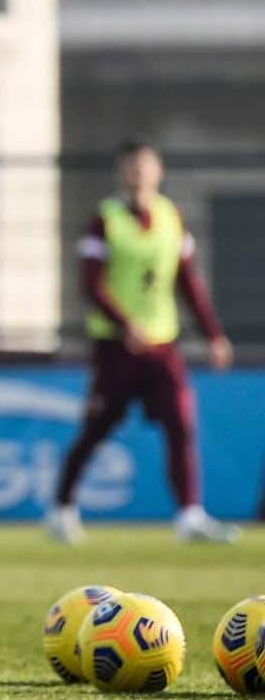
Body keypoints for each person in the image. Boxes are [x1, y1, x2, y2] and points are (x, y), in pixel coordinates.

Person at [46, 140, 238, 545]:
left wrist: (213, 333)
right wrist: (123, 322)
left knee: (180, 424)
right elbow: (90, 283)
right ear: (122, 173)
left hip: (161, 343)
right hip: (115, 346)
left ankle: (189, 515)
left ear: (158, 171)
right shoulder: (106, 220)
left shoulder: (171, 218)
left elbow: (188, 281)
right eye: (131, 167)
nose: (138, 174)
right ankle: (62, 507)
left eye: (145, 166)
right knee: (98, 426)